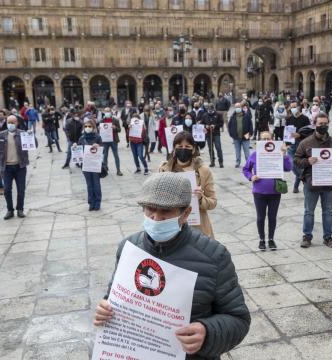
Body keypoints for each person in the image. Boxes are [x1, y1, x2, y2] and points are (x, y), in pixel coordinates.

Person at [93, 172, 250, 357]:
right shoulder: (128, 248)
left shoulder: (214, 256)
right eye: (150, 208)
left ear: (185, 214)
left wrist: (207, 333)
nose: (156, 218)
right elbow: (113, 297)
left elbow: (238, 319)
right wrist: (105, 309)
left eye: (166, 211)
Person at [294, 113, 332, 248]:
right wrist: (307, 161)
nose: (323, 126)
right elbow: (296, 160)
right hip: (312, 183)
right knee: (309, 211)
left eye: (325, 123)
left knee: (328, 212)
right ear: (314, 124)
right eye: (320, 123)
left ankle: (328, 237)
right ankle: (307, 236)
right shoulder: (306, 142)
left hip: (329, 184)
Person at [159, 131, 216, 239]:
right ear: (174, 148)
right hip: (172, 227)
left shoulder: (203, 171)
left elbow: (213, 202)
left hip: (198, 228)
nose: (183, 149)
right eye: (180, 146)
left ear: (193, 149)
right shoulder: (164, 170)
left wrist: (200, 199)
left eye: (187, 146)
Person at [242, 131, 292, 250]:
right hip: (259, 191)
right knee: (260, 217)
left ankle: (271, 239)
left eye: (268, 139)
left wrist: (284, 154)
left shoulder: (278, 153)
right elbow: (246, 169)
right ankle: (261, 239)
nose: (265, 142)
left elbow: (288, 168)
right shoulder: (254, 154)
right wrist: (251, 177)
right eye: (263, 139)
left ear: (272, 140)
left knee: (272, 217)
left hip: (275, 191)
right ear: (259, 141)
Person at [0, 115, 32, 220]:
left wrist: (31, 136)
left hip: (20, 166)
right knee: (7, 190)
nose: (10, 124)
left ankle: (20, 209)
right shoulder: (1, 135)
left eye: (13, 122)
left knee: (21, 189)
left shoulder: (22, 134)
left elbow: (34, 144)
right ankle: (10, 210)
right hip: (6, 167)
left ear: (17, 123)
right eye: (9, 122)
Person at [73, 119, 103, 211]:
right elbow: (78, 148)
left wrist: (98, 146)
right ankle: (91, 202)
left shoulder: (97, 137)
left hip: (95, 164)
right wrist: (75, 146)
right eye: (85, 126)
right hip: (85, 165)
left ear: (93, 127)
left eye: (89, 126)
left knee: (96, 184)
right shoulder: (82, 138)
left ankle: (97, 202)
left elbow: (103, 149)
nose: (87, 128)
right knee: (89, 184)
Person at [285, 102, 311, 193]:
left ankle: (296, 187)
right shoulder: (289, 119)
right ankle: (305, 179)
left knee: (299, 165)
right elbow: (286, 132)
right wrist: (286, 144)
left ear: (298, 107)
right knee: (292, 163)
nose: (293, 109)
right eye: (291, 107)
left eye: (294, 107)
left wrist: (299, 135)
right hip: (291, 145)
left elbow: (309, 132)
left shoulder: (305, 118)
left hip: (302, 145)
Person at [227, 102, 253, 168]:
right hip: (236, 137)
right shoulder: (233, 116)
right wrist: (231, 134)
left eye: (238, 107)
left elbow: (251, 125)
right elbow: (229, 126)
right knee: (237, 151)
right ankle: (237, 162)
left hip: (245, 137)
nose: (237, 108)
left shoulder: (246, 115)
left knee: (247, 151)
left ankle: (248, 163)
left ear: (241, 107)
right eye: (236, 107)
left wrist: (250, 134)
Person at [99, 108, 123, 176]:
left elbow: (119, 130)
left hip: (113, 140)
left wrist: (115, 128)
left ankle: (118, 170)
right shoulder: (102, 120)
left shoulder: (115, 120)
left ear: (111, 112)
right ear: (104, 112)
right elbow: (99, 131)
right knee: (105, 155)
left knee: (116, 155)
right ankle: (105, 169)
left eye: (108, 111)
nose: (107, 112)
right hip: (105, 141)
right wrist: (99, 129)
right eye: (106, 111)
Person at [202, 103, 224, 168]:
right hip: (208, 134)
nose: (210, 111)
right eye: (209, 110)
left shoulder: (218, 114)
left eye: (211, 110)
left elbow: (221, 123)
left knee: (218, 147)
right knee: (210, 148)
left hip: (216, 133)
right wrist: (205, 126)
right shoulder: (205, 115)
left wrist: (215, 126)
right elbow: (202, 123)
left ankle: (221, 162)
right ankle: (212, 161)